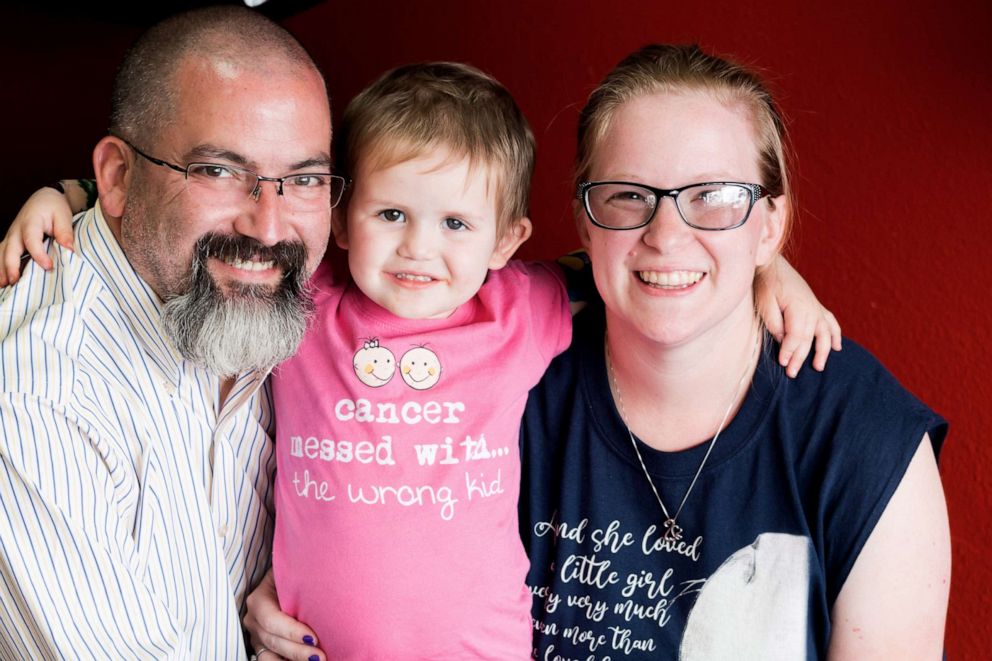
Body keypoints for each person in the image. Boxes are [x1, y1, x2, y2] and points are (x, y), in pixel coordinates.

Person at [2, 58, 841, 659]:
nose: (417, 250)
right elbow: (199, 236)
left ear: (507, 241)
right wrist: (69, 200)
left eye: (454, 225)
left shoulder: (523, 306)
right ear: (339, 208)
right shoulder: (304, 300)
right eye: (391, 213)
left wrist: (771, 266)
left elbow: (651, 265)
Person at [518, 44, 950, 659]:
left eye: (714, 197)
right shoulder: (505, 382)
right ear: (586, 222)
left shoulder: (864, 436)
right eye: (630, 195)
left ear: (770, 224)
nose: (666, 236)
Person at [0, 6, 337, 658]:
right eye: (218, 171)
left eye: (303, 179)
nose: (268, 228)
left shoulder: (264, 314)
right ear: (119, 177)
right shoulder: (36, 400)